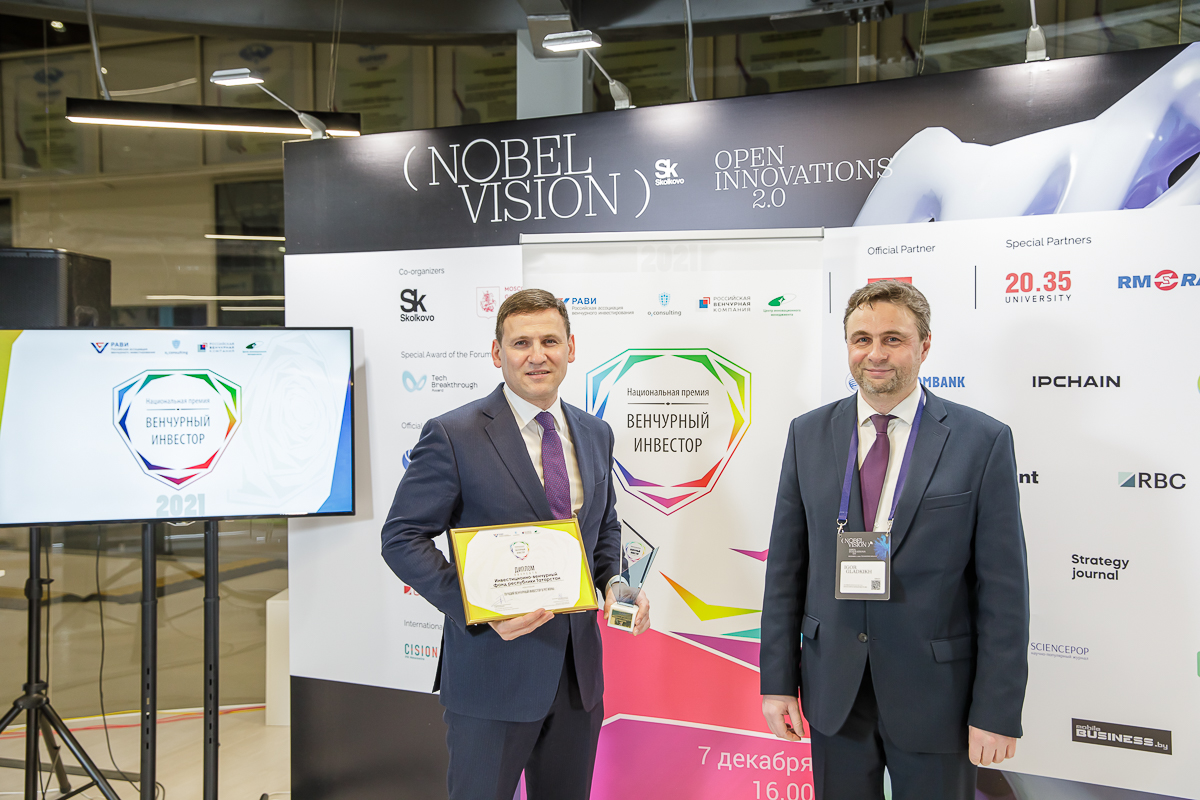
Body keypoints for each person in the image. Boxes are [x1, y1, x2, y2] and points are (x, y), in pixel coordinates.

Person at [759, 280, 1028, 800]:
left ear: (924, 346)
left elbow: (1003, 589)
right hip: (834, 691)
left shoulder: (982, 440)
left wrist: (996, 710)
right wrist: (777, 681)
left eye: (893, 339)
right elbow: (786, 570)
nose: (875, 354)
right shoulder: (807, 433)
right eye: (861, 339)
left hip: (937, 697)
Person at [381, 288, 650, 800]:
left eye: (550, 341)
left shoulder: (595, 432)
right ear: (496, 352)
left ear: (571, 348)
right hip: (491, 675)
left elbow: (603, 526)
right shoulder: (453, 434)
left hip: (577, 680)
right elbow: (401, 537)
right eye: (521, 343)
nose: (537, 355)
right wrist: (477, 607)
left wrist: (616, 582)